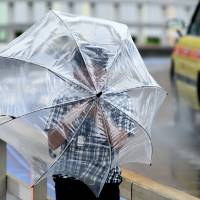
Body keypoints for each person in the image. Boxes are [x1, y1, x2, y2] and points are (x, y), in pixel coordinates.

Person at [44, 47, 132, 200]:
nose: (89, 79)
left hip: (106, 182)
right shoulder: (64, 98)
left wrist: (101, 113)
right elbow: (52, 142)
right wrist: (75, 113)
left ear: (104, 73)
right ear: (74, 73)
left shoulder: (120, 100)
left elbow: (119, 142)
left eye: (95, 73)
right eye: (84, 74)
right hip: (68, 180)